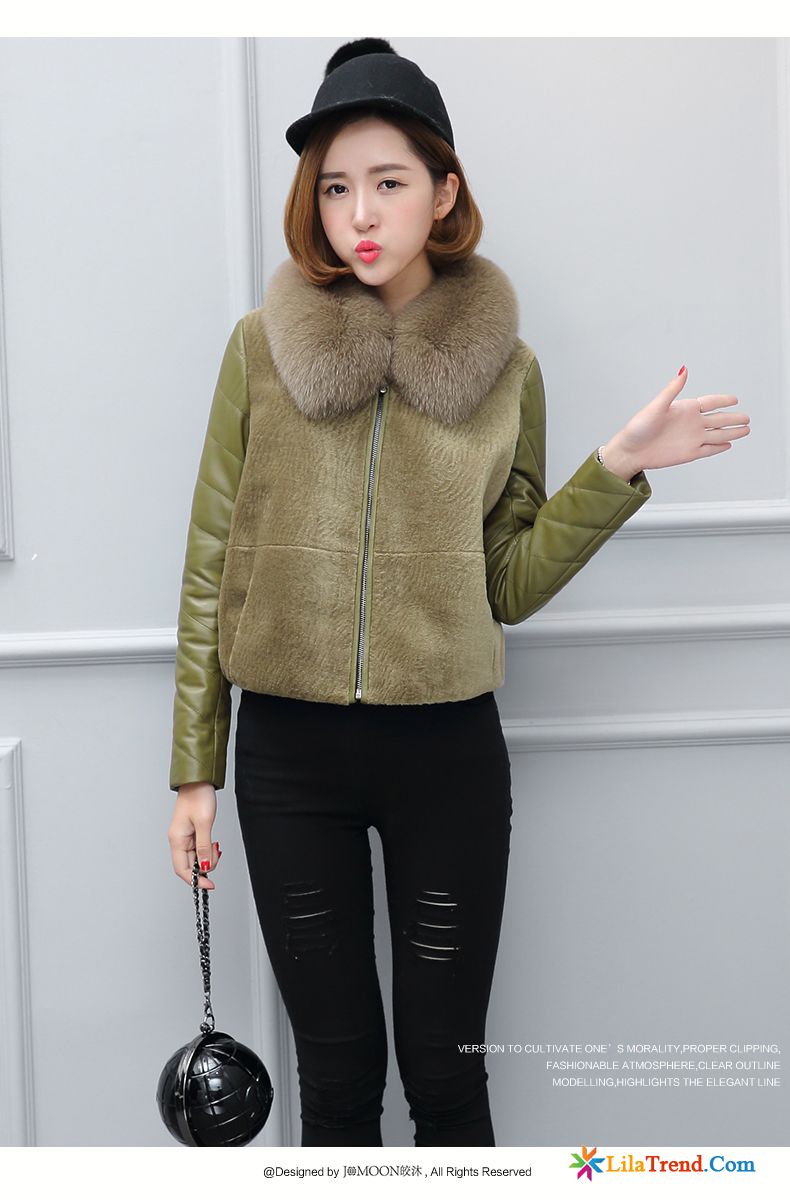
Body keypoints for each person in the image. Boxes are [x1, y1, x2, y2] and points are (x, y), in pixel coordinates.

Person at [166, 38, 750, 1148]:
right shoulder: (260, 351)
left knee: (445, 1080)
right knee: (337, 1080)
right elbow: (209, 564)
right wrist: (196, 767)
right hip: (287, 761)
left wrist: (615, 468)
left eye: (388, 181)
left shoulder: (507, 373)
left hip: (445, 759)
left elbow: (508, 584)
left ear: (443, 192)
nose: (359, 213)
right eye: (335, 187)